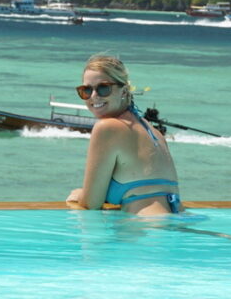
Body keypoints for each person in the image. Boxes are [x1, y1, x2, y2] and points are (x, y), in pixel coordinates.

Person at [66, 53, 182, 215]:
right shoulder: (153, 131)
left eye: (103, 88)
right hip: (173, 223)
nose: (93, 96)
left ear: (124, 91)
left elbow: (91, 204)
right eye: (86, 90)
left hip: (147, 233)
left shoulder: (107, 128)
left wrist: (82, 195)